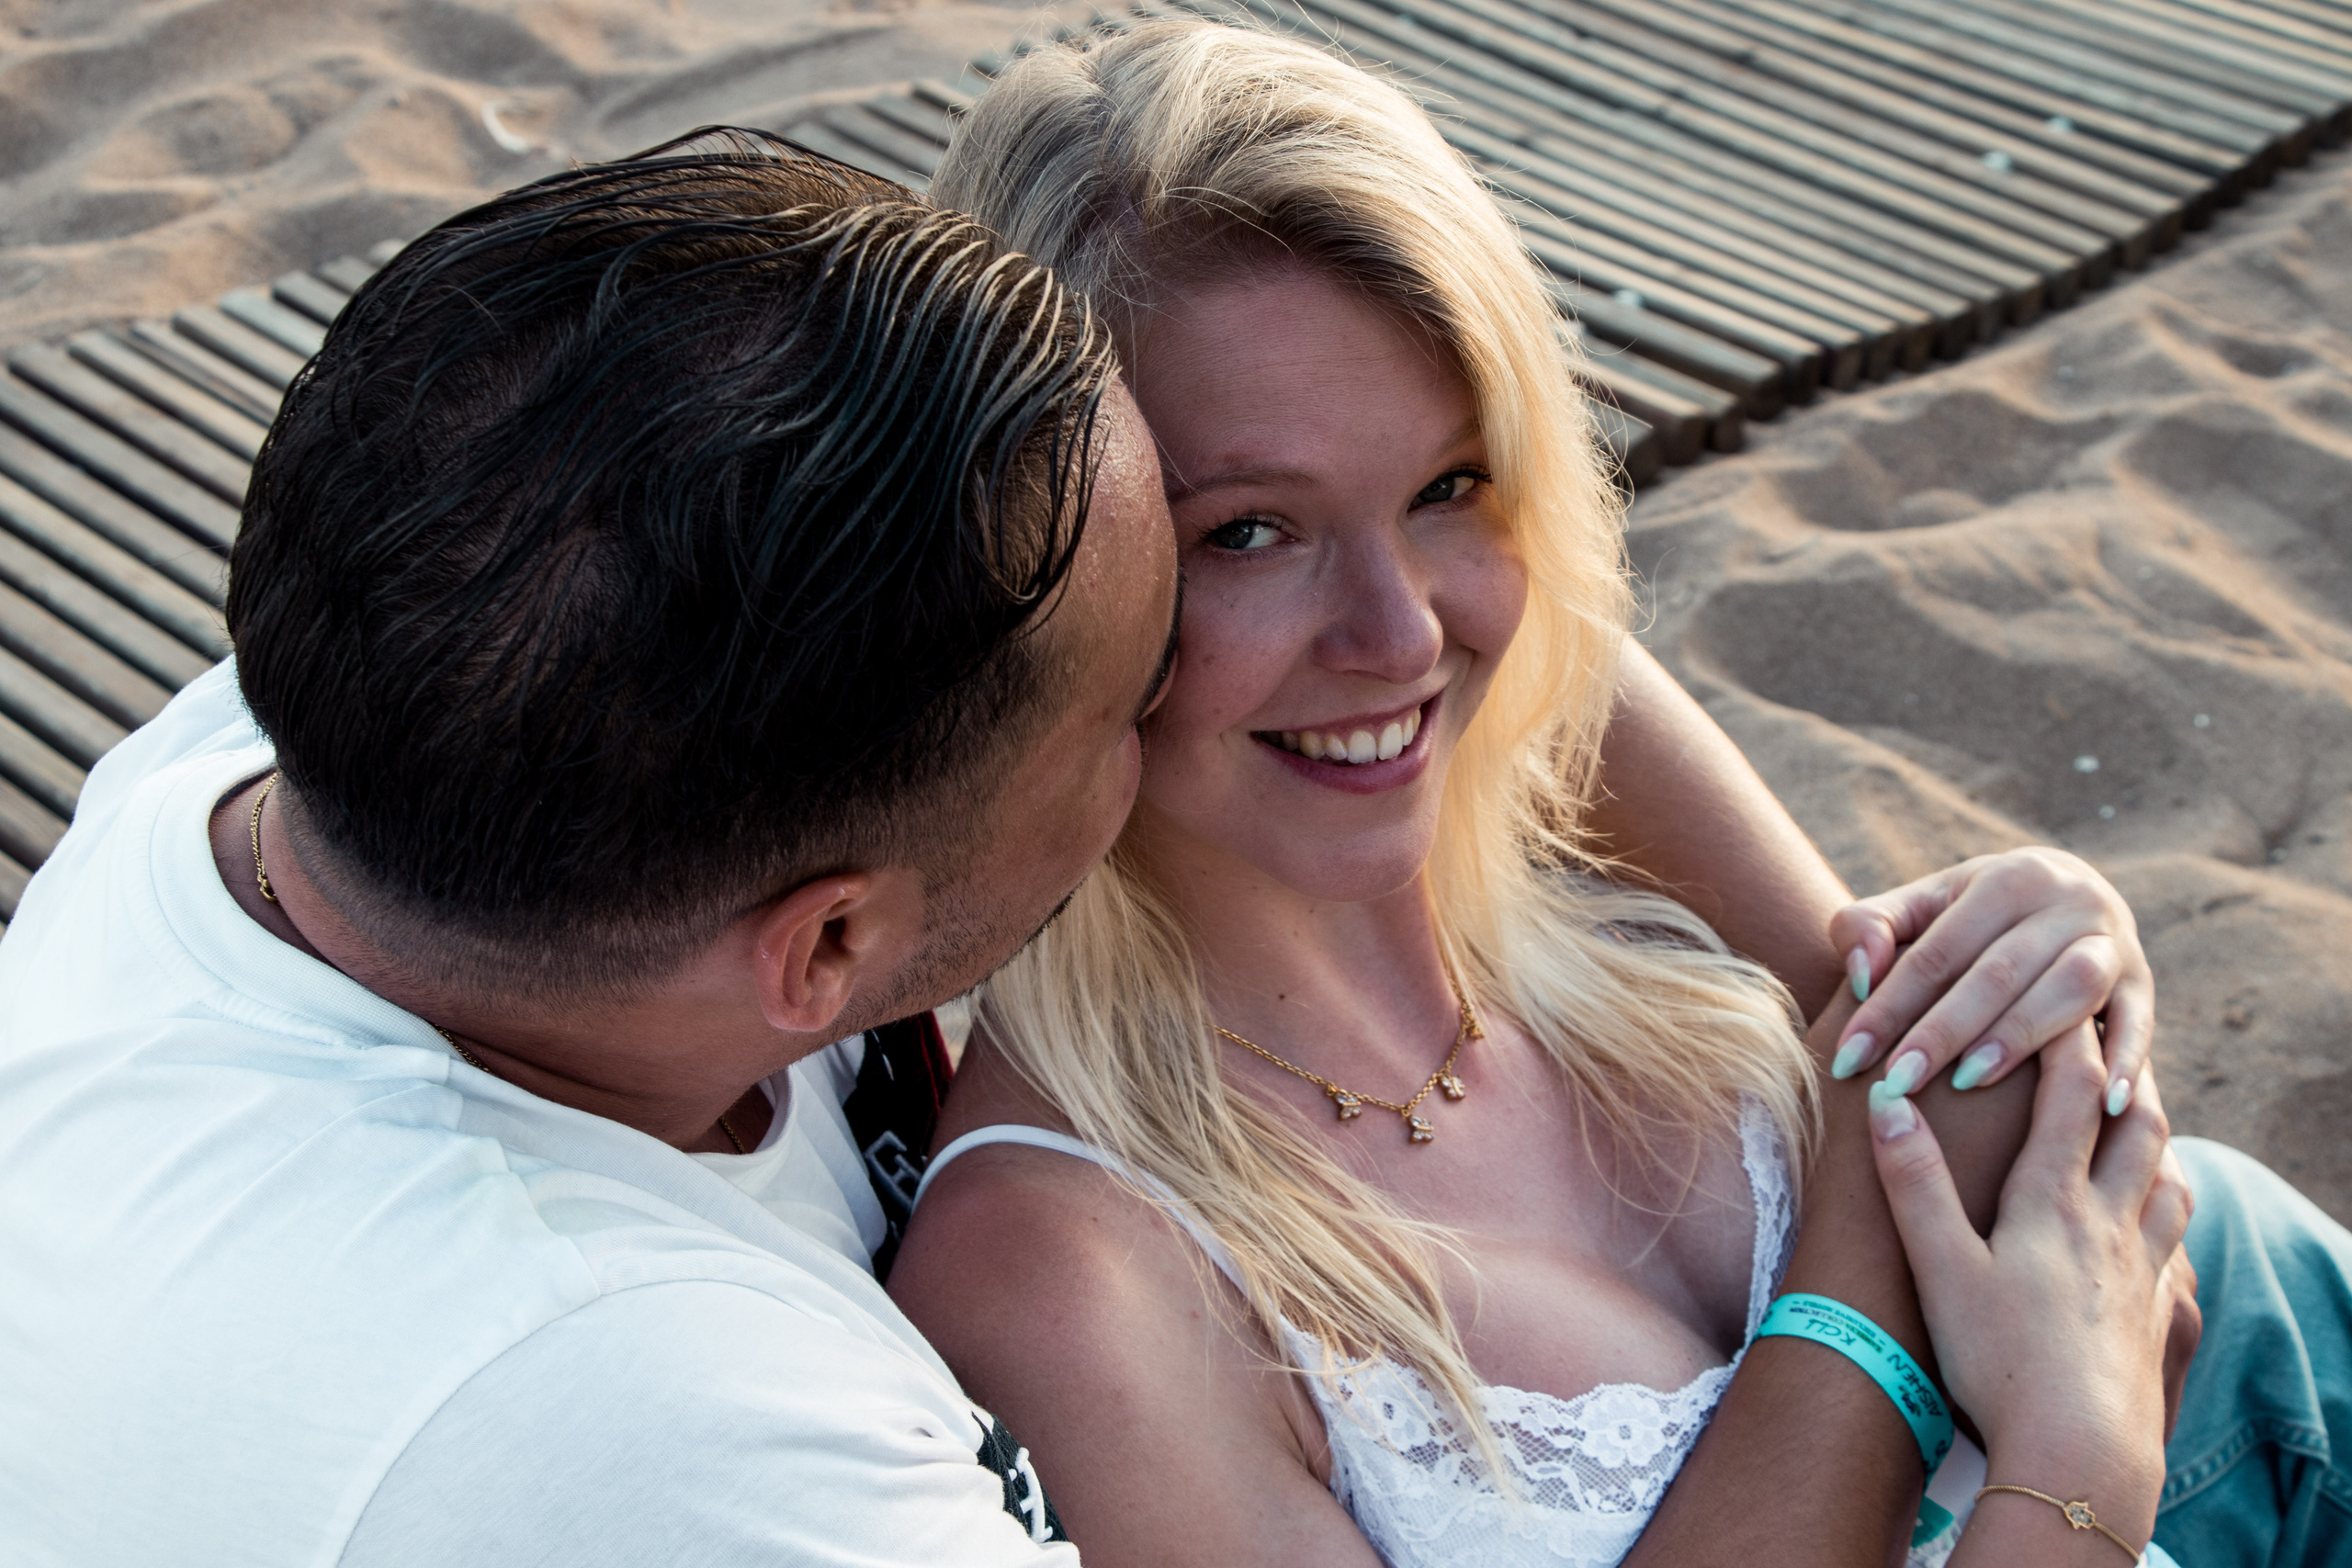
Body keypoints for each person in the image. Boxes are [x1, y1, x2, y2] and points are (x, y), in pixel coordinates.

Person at [0, 118, 2230, 1568]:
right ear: (833, 946)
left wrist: (1855, 972)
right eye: (1182, 600)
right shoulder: (696, 1437)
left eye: (1443, 495)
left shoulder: (409, 688)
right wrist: (2051, 1457)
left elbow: (1437, 633)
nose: (1364, 639)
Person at [889, 20, 2352, 1568]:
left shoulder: (1535, 716)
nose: (1402, 636)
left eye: (1452, 486)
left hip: (2267, 1359)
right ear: (1037, 569)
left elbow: (1953, 1090)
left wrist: (2043, 940)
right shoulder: (1068, 1282)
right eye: (1248, 531)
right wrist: (2067, 1467)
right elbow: (1913, 1177)